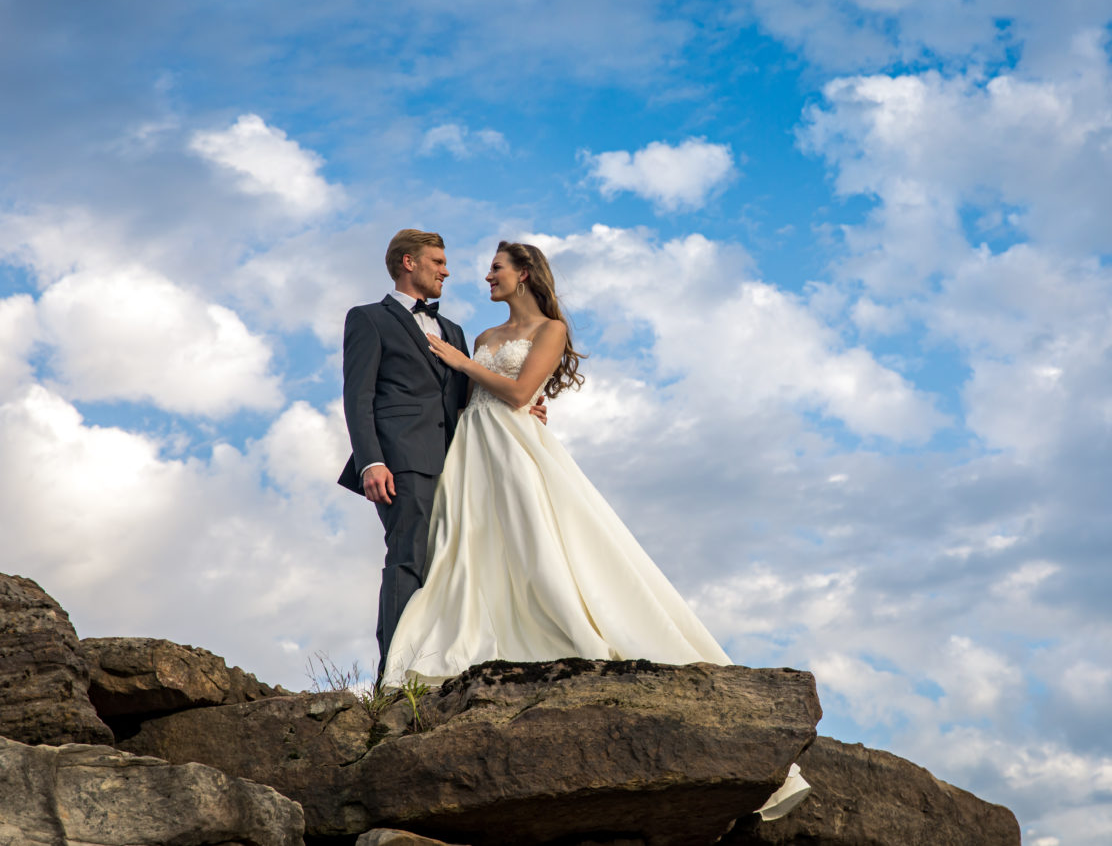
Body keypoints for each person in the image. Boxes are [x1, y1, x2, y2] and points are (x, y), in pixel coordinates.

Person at [383, 241, 810, 820]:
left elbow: (516, 391)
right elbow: (469, 398)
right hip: (472, 448)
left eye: (496, 268)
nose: (485, 276)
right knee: (470, 547)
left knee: (539, 543)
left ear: (524, 274)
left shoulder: (549, 330)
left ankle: (574, 625)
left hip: (513, 449)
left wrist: (467, 368)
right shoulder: (480, 337)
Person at [337, 229, 544, 682]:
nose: (447, 270)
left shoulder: (454, 331)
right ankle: (393, 674)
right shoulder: (368, 318)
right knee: (408, 557)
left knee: (449, 566)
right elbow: (358, 395)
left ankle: (433, 665)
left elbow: (466, 396)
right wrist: (371, 461)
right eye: (438, 261)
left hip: (459, 462)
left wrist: (525, 406)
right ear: (408, 263)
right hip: (401, 461)